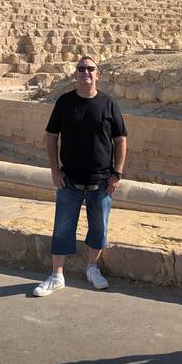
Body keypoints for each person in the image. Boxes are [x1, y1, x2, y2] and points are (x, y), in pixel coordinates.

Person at [33, 56, 127, 297]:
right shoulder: (65, 102)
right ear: (75, 74)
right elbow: (51, 136)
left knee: (99, 228)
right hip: (69, 180)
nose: (86, 72)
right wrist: (55, 170)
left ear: (98, 74)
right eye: (81, 68)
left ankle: (92, 268)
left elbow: (120, 139)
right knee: (62, 228)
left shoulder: (109, 103)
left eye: (90, 68)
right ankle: (57, 275)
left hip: (103, 180)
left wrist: (117, 173)